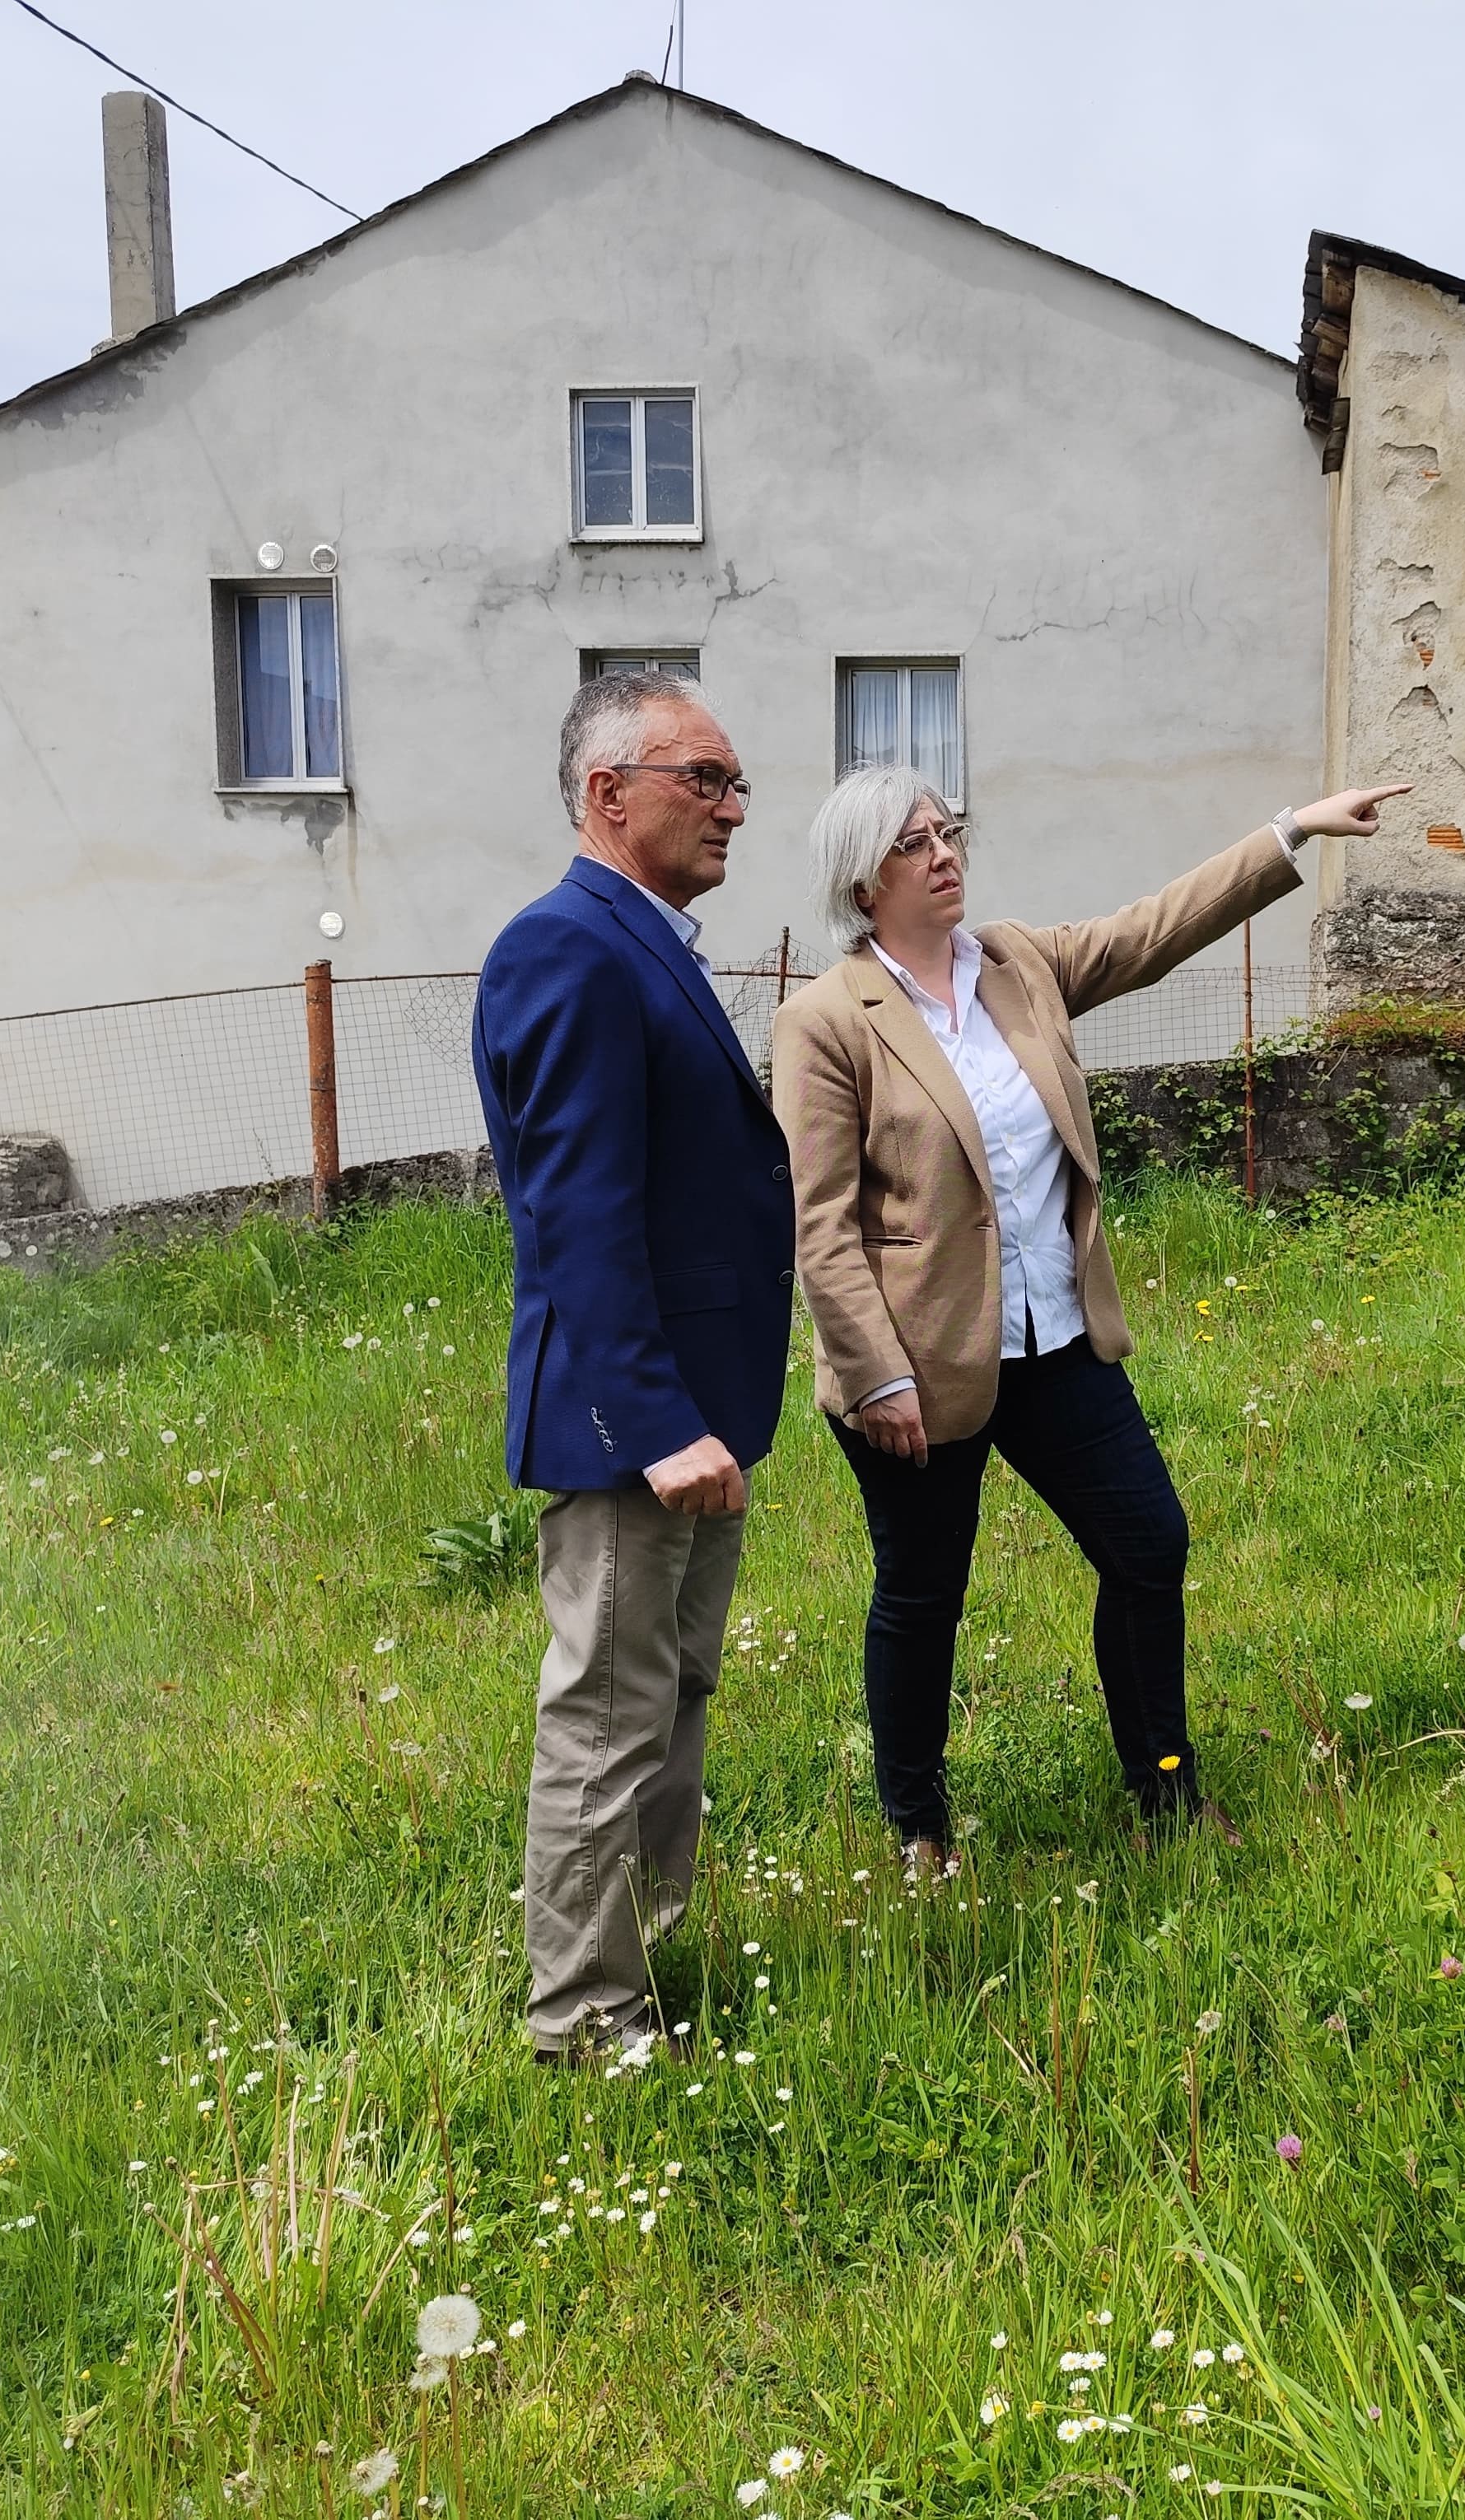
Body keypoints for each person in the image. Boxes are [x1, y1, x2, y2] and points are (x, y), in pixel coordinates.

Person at [772, 772, 1408, 1873]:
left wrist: (1293, 830)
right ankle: (918, 1824)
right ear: (866, 879)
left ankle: (1164, 1791)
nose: (944, 852)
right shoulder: (827, 1022)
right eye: (915, 841)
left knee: (1149, 1545)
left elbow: (1154, 929)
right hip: (918, 1370)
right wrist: (877, 1378)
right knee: (924, 1593)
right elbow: (819, 1224)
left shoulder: (1021, 965)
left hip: (1055, 1341)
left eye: (949, 831)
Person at [473, 670, 795, 2064]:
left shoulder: (647, 941)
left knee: (673, 1696)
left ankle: (640, 1969)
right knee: (609, 1717)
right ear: (611, 795)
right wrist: (657, 1422)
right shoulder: (569, 948)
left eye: (734, 784)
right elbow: (577, 1214)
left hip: (694, 1413)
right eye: (704, 780)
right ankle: (582, 2020)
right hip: (634, 1431)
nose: (734, 807)